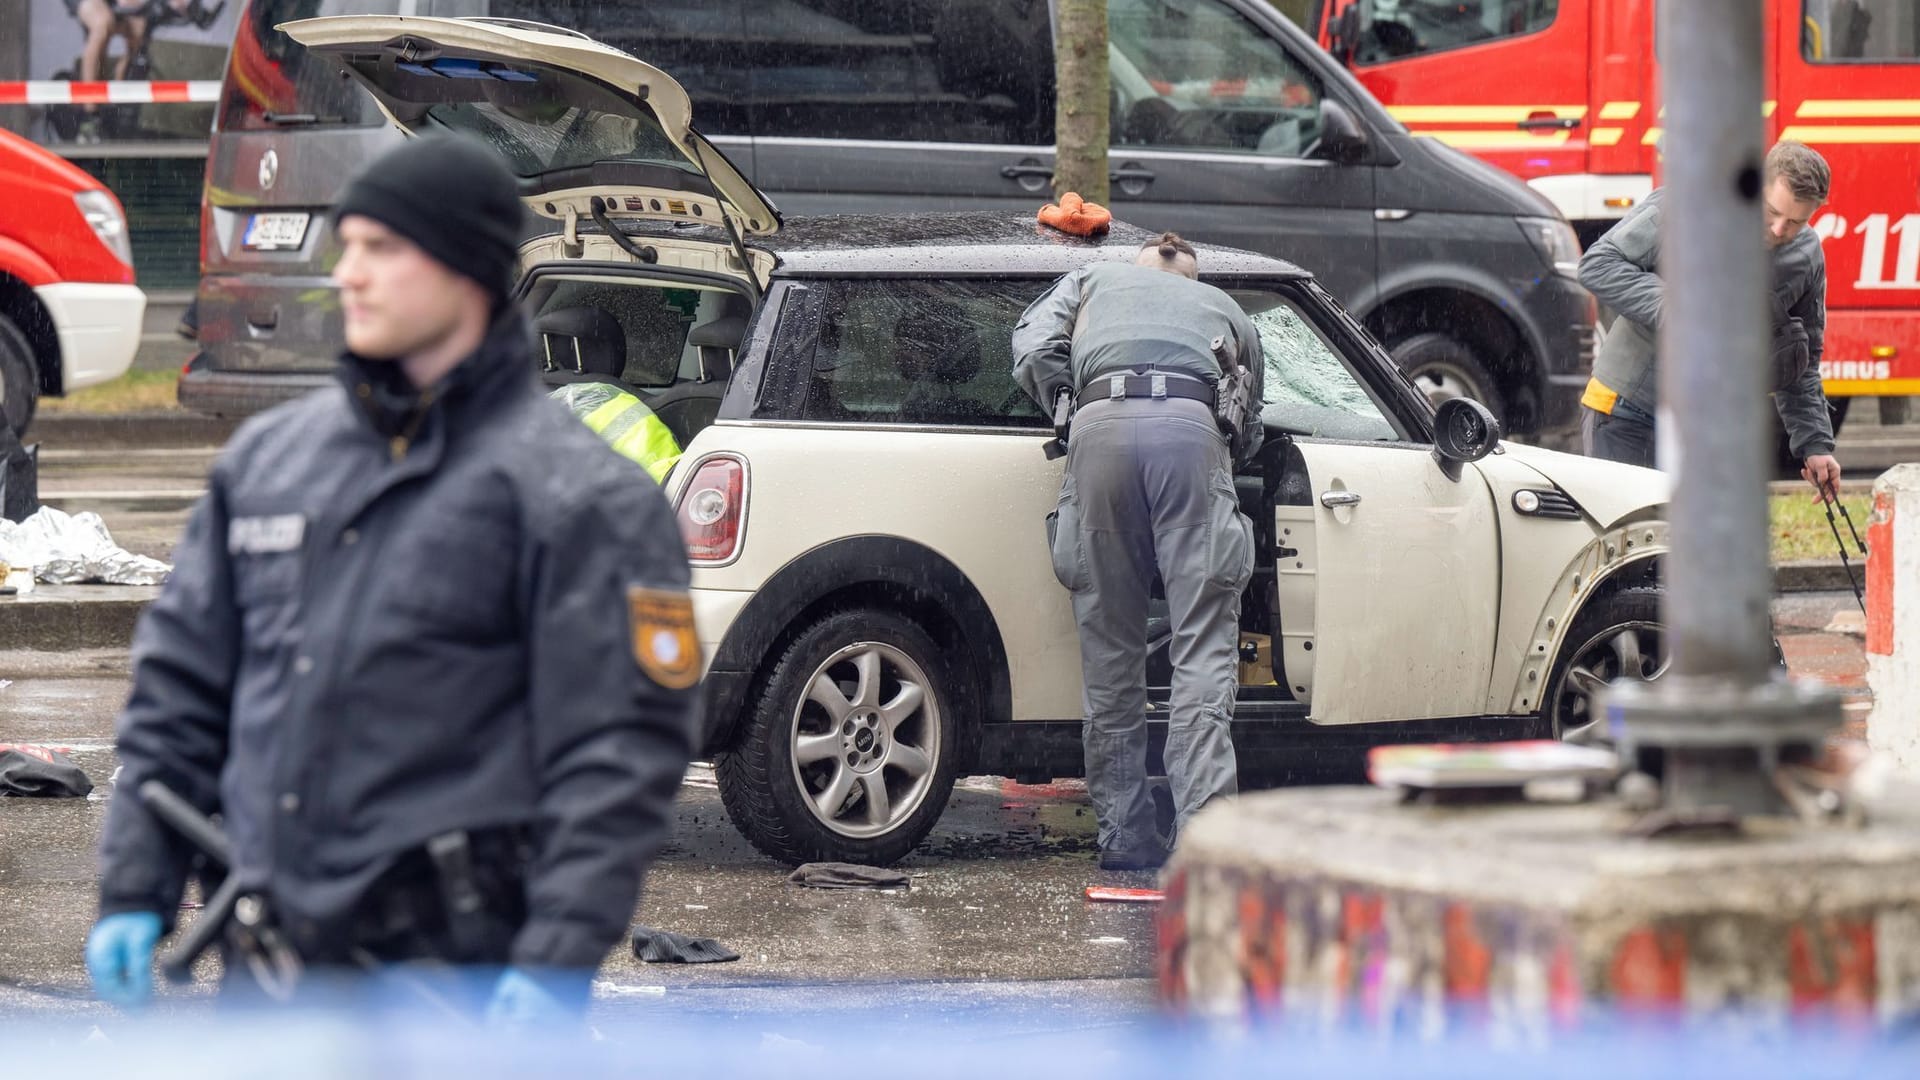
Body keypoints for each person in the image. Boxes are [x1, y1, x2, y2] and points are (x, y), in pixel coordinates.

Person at [82, 132, 700, 1024]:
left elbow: (620, 755)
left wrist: (559, 954)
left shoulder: (581, 499)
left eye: (384, 249)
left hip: (455, 986)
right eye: (350, 248)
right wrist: (135, 889)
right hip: (268, 975)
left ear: (467, 271)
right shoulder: (268, 465)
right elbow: (178, 696)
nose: (350, 274)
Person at [1011, 232, 1262, 872]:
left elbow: (1034, 345)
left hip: (1098, 431)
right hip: (1190, 434)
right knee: (1201, 645)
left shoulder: (1094, 279)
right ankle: (1203, 840)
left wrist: (1069, 407)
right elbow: (1248, 419)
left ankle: (1123, 834)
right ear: (1193, 278)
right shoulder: (1225, 309)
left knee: (1110, 653)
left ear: (1140, 266)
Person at [1578, 140, 1843, 501]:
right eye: (1771, 212)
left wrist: (1815, 443)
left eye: (1796, 222)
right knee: (1629, 549)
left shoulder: (1806, 256)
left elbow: (1801, 361)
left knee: (1699, 555)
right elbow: (1599, 264)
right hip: (1627, 412)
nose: (1780, 229)